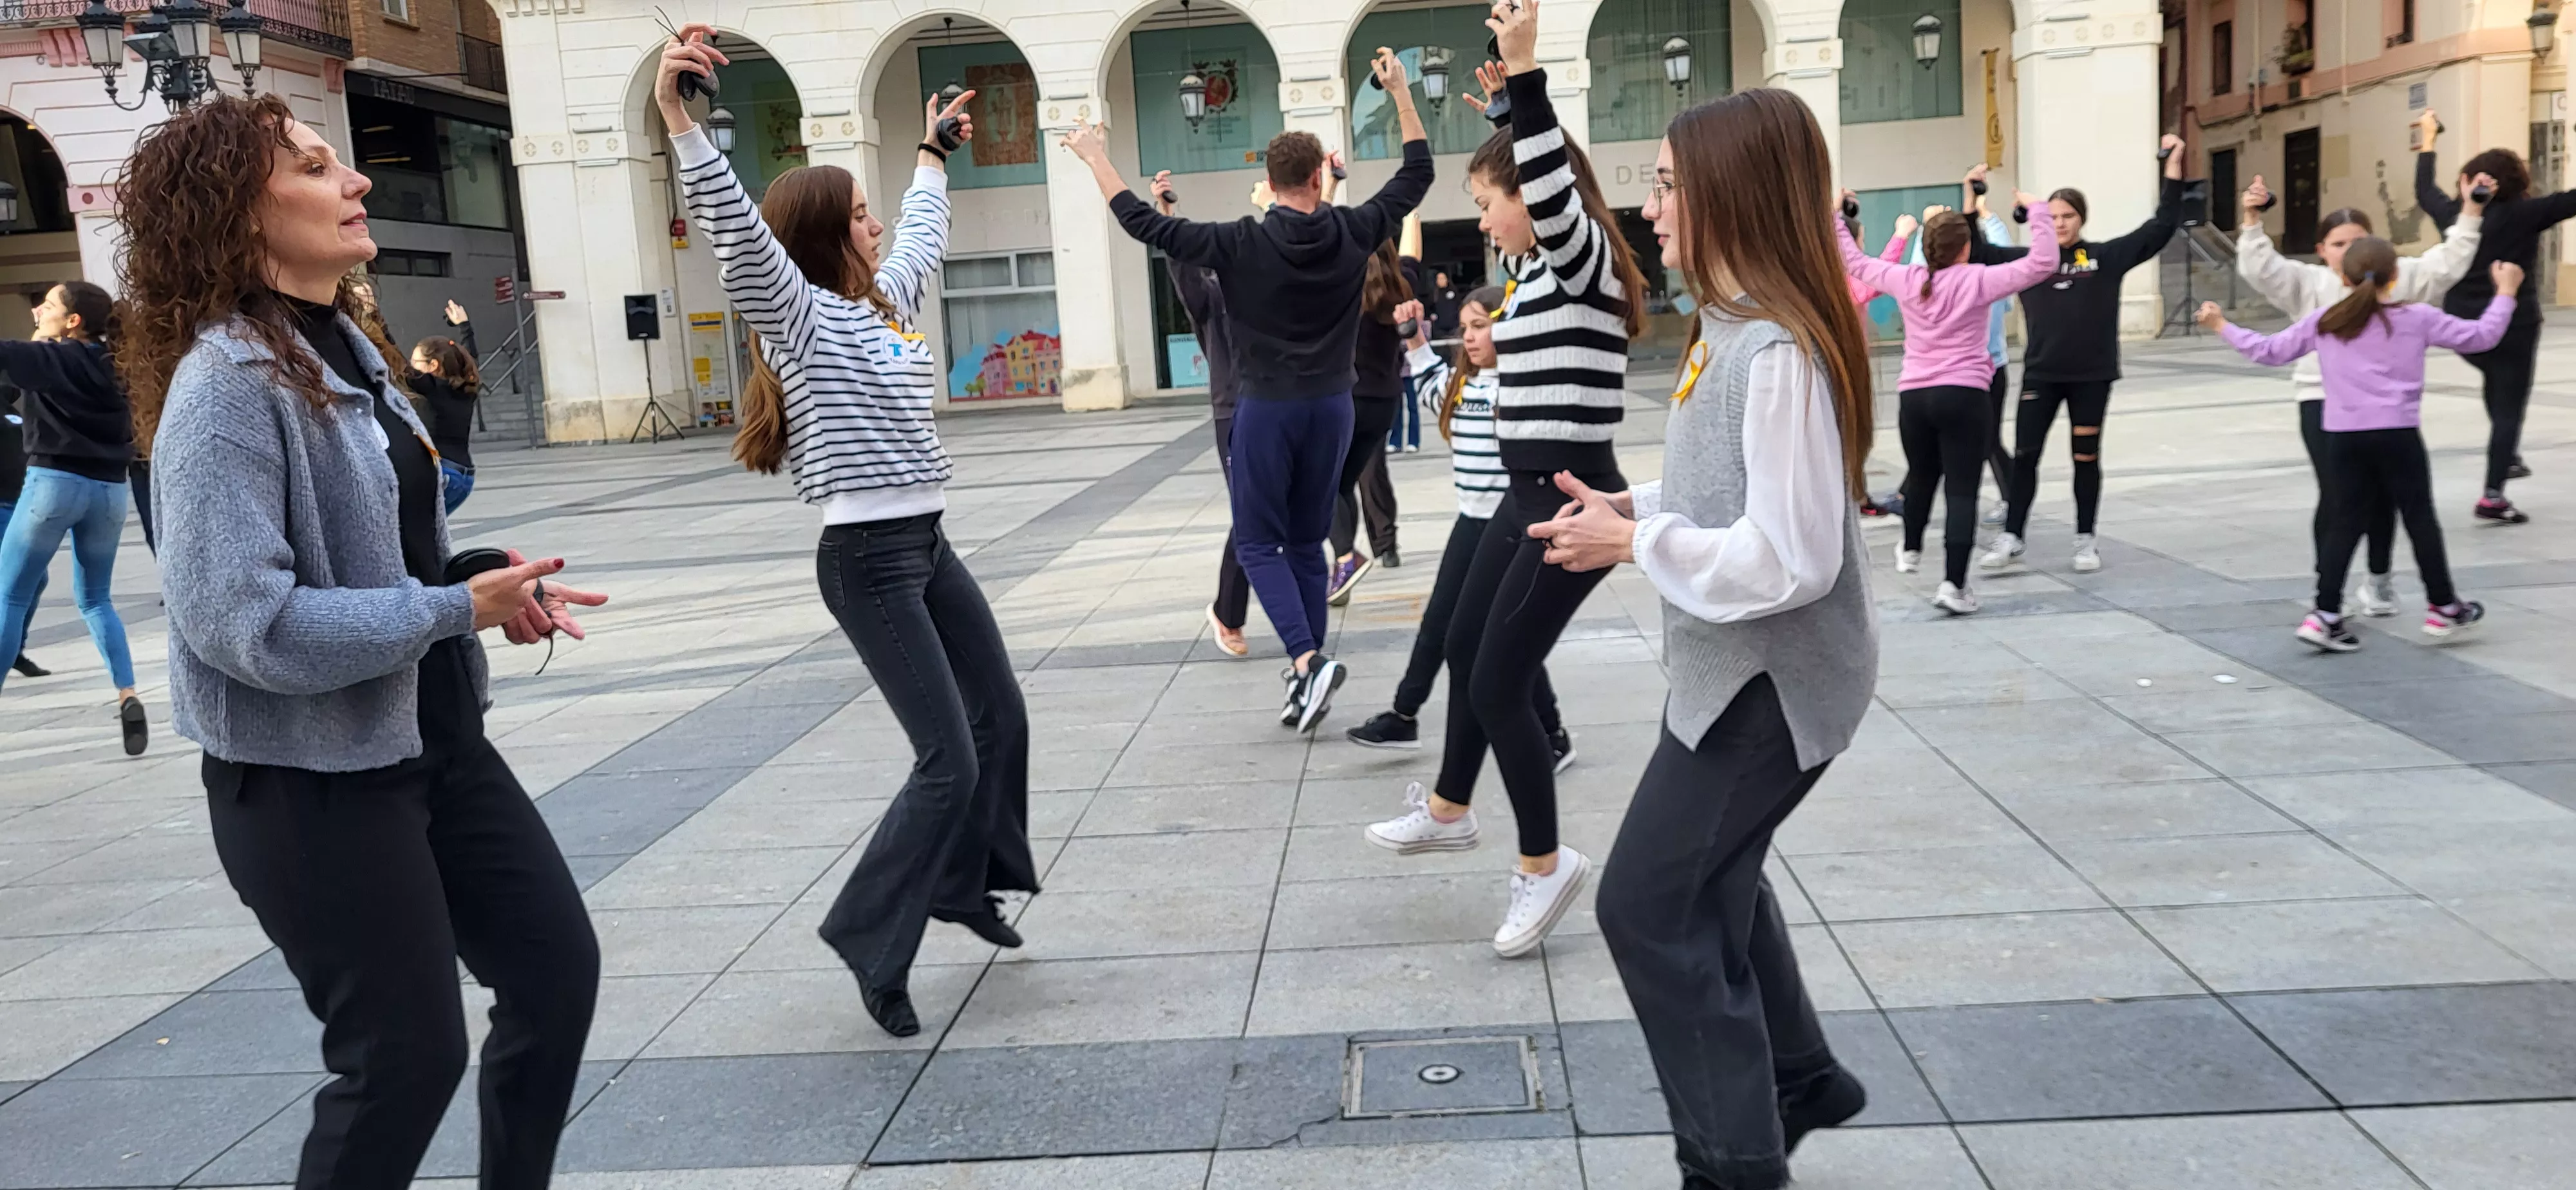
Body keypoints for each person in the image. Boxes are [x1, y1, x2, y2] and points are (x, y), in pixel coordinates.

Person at [122, 93, 607, 1189]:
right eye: (312, 167)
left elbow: (377, 554)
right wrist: (448, 612)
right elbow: (249, 624)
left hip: (430, 741)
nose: (359, 182)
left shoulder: (341, 345)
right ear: (237, 215)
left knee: (554, 972)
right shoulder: (225, 385)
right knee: (401, 1056)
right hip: (309, 783)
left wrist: (474, 579)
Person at [1527, 86, 1880, 1190]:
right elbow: (1729, 496)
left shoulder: (1774, 350)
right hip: (1736, 678)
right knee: (1714, 881)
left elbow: (1791, 558)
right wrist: (1640, 511)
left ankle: (1734, 1162)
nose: (1653, 205)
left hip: (1773, 686)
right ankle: (1799, 1076)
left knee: (1650, 904)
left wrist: (1638, 546)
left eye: (1672, 184)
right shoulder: (1727, 327)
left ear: (1731, 191)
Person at [659, 27, 1037, 1038]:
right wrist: (680, 117)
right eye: (858, 213)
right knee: (947, 758)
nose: (875, 224)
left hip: (927, 543)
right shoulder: (798, 315)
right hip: (867, 559)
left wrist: (934, 153)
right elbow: (738, 231)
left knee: (1003, 718)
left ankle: (962, 884)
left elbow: (922, 235)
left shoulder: (887, 307)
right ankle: (873, 940)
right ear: (828, 232)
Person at [1362, 1, 1649, 959]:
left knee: (1498, 682)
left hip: (1563, 500)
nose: (1483, 221)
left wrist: (1526, 79)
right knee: (1467, 656)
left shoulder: (1579, 259)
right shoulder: (1538, 273)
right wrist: (1503, 118)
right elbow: (1539, 181)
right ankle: (1451, 807)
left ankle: (1543, 865)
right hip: (1518, 497)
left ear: (1536, 198)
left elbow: (1553, 190)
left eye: (1490, 203)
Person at [1065, 45, 1432, 733]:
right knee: (1302, 542)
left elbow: (1144, 225)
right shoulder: (1355, 230)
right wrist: (1401, 94)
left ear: (1269, 180)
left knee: (1260, 541)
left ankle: (1304, 660)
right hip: (1333, 407)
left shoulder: (1238, 243)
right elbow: (1417, 174)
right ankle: (1309, 673)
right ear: (1320, 178)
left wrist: (1095, 158)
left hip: (1267, 409)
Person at [2201, 247, 2515, 648]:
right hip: (2397, 434)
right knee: (2419, 519)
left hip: (2343, 436)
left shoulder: (2327, 320)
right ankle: (2443, 607)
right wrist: (2505, 292)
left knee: (2345, 521)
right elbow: (2482, 336)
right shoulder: (2417, 317)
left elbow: (2269, 351)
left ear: (2344, 278)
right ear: (2394, 274)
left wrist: (2221, 325)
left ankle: (2325, 613)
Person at [1345, 285, 1573, 773]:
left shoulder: (1524, 387)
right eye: (1465, 328)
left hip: (1514, 530)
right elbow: (1427, 369)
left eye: (1481, 326)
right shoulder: (1458, 387)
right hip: (1471, 524)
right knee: (1440, 626)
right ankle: (1404, 715)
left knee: (1506, 637)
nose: (1469, 338)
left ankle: (1552, 733)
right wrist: (1410, 333)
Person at [2237, 173, 2485, 616]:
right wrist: (2252, 219)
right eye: (2337, 243)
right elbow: (2262, 269)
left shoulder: (2396, 279)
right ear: (2321, 250)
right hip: (2323, 403)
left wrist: (2471, 211)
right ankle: (2328, 588)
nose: (2348, 251)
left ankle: (2377, 579)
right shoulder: (2309, 284)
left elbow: (2446, 263)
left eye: (2358, 241)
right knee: (2338, 497)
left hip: (2383, 413)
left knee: (2385, 499)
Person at [1973, 135, 2186, 574]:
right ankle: (2013, 536)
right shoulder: (2028, 263)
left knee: (2085, 458)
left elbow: (2162, 227)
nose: (2061, 223)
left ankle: (2085, 539)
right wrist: (1973, 196)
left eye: (2068, 216)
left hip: (2092, 375)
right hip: (2041, 377)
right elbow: (1976, 251)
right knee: (2026, 456)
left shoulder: (2103, 258)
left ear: (2082, 219)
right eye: (2052, 217)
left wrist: (2174, 169)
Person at [1841, 197, 2057, 614]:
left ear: (1926, 247)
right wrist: (2038, 212)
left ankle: (1910, 549)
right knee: (1962, 490)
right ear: (1965, 249)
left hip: (1915, 397)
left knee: (1921, 475)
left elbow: (1853, 261)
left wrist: (1835, 215)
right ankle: (1953, 585)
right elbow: (2043, 263)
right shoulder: (1977, 279)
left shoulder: (1906, 279)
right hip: (1965, 394)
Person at [0, 281, 146, 754]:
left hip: (53, 485)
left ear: (73, 320)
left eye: (49, 304)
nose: (39, 309)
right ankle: (127, 693)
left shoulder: (55, 357)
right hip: (108, 490)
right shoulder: (120, 365)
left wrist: (41, 342)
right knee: (97, 600)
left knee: (11, 597)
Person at [2414, 109, 2576, 524]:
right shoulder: (2528, 213)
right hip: (2515, 325)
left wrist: (2429, 137)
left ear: (2469, 183)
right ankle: (2493, 495)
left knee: (2493, 380)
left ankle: (2508, 457)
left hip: (2463, 327)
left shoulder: (2454, 215)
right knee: (2509, 408)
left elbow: (2422, 189)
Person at [1151, 170, 1251, 658]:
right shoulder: (1211, 298)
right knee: (1252, 515)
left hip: (1278, 409)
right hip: (1234, 413)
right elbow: (1184, 272)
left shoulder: (1266, 289)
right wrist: (1169, 214)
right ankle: (1228, 613)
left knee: (1283, 515)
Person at [1327, 239, 1414, 603]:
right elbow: (1411, 256)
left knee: (1323, 485)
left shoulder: (1344, 292)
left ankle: (1346, 556)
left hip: (1348, 400)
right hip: (1385, 403)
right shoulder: (1402, 287)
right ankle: (1352, 563)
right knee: (1351, 480)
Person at [409, 300, 482, 513]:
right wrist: (464, 326)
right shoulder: (467, 387)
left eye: (417, 362)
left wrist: (375, 318)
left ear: (433, 365)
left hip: (446, 473)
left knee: (414, 533)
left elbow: (392, 356)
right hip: (464, 478)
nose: (412, 368)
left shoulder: (432, 387)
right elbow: (471, 358)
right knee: (429, 535)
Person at [0, 395, 47, 677]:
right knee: (24, 578)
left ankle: (14, 648)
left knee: (35, 579)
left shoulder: (8, 404)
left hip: (20, 504)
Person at [1837, 197, 1917, 309]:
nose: (1863, 246)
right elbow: (1876, 278)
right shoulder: (1841, 284)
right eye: (1862, 240)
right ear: (1850, 244)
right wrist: (1901, 234)